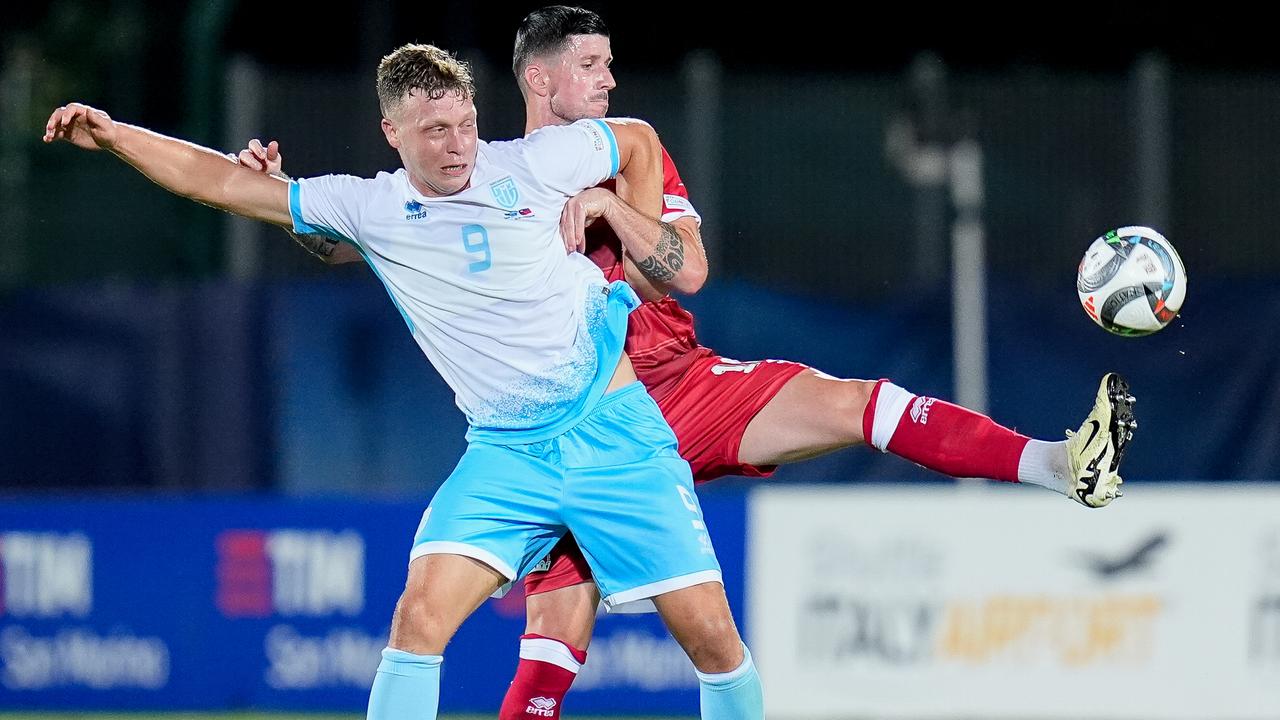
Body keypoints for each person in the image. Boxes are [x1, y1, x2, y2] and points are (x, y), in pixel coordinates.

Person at [237, 9, 1137, 719]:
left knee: (858, 403)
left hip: (672, 386)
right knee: (551, 646)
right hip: (555, 432)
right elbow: (366, 241)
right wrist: (288, 207)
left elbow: (689, 270)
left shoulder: (626, 149)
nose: (611, 78)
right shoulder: (474, 167)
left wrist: (607, 207)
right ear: (540, 78)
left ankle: (1058, 465)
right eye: (593, 65)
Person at [44, 42, 764, 720]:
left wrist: (628, 217)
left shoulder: (538, 162)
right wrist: (116, 136)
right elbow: (219, 182)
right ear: (392, 132)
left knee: (711, 641)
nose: (457, 146)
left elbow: (633, 136)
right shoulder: (372, 209)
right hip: (507, 454)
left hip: (615, 437)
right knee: (418, 616)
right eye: (435, 130)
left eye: (465, 124)